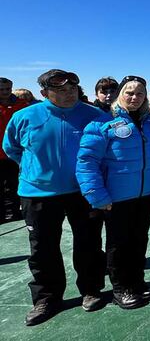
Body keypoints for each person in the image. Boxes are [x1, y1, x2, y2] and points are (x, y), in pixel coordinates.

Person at [3, 70, 106, 325]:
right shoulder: (24, 116)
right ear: (44, 93)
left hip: (83, 192)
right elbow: (11, 148)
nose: (68, 93)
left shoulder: (95, 116)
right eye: (60, 90)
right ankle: (46, 298)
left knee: (89, 242)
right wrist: (37, 173)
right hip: (37, 194)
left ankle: (91, 290)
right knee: (42, 248)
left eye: (72, 89)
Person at [77, 76, 150, 310]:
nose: (134, 97)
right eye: (129, 92)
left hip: (145, 193)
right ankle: (121, 288)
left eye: (140, 94)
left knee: (139, 239)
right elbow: (86, 162)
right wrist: (96, 195)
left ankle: (136, 281)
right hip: (116, 197)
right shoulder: (102, 124)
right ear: (120, 94)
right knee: (118, 244)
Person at [1, 77, 29, 222]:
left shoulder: (22, 105)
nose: (5, 92)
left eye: (8, 89)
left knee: (13, 184)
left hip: (13, 153)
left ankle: (13, 212)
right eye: (1, 89)